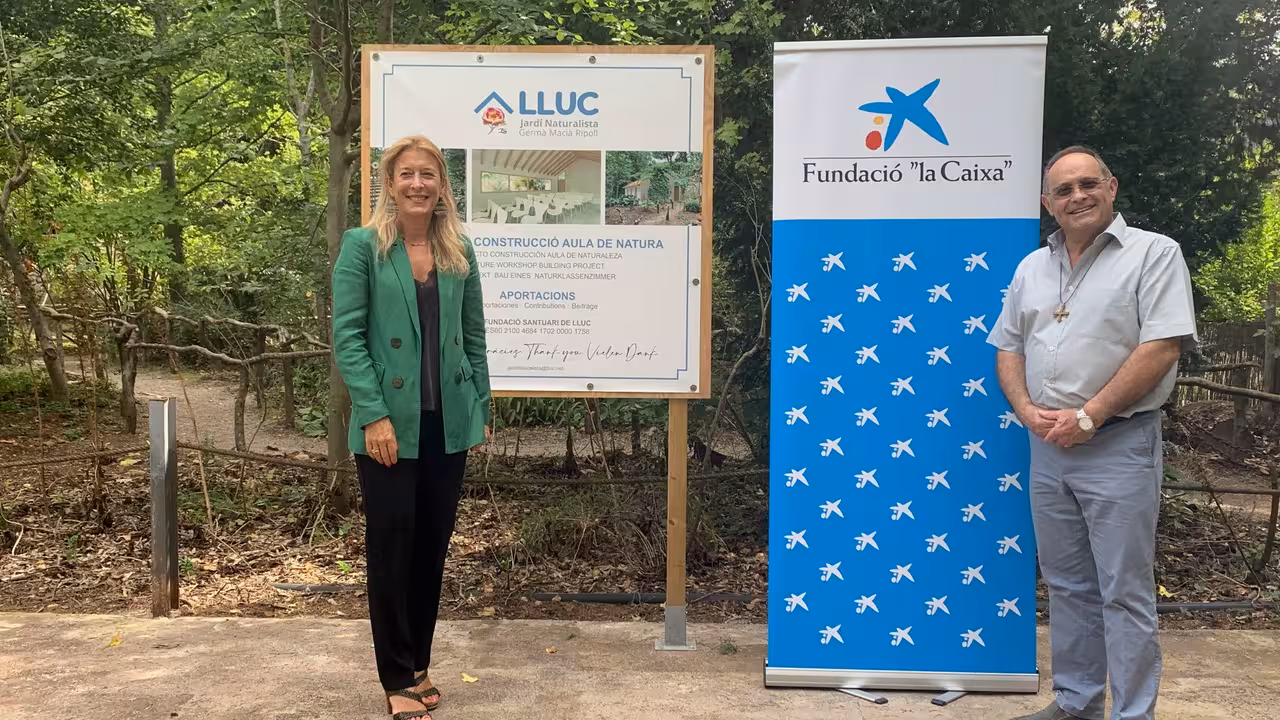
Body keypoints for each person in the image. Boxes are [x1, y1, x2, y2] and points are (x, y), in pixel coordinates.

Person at [987, 145, 1198, 720]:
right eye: (1063, 190)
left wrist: (1090, 415)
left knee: (1124, 591)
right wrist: (1026, 409)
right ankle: (1078, 704)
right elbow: (1009, 346)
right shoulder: (1032, 268)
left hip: (1119, 443)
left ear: (1112, 187)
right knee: (1067, 584)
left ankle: (1132, 714)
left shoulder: (1154, 254)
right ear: (1047, 204)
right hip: (1048, 447)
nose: (1077, 196)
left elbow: (1162, 346)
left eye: (1088, 184)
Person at [332, 134, 492, 720]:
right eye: (407, 174)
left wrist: (480, 407)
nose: (418, 184)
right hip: (388, 425)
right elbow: (347, 337)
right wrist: (373, 414)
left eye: (428, 174)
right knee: (392, 548)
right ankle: (396, 676)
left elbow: (473, 337)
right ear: (390, 183)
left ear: (442, 185)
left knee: (430, 550)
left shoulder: (458, 250)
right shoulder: (363, 247)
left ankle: (419, 665)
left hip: (447, 424)